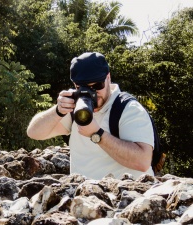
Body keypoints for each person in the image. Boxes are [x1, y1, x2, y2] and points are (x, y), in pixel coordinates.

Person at [27, 52, 154, 180]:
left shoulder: (127, 109)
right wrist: (58, 111)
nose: (91, 93)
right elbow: (34, 133)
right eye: (83, 87)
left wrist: (97, 134)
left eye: (97, 86)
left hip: (127, 196)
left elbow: (143, 161)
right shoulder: (76, 107)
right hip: (86, 197)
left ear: (108, 78)